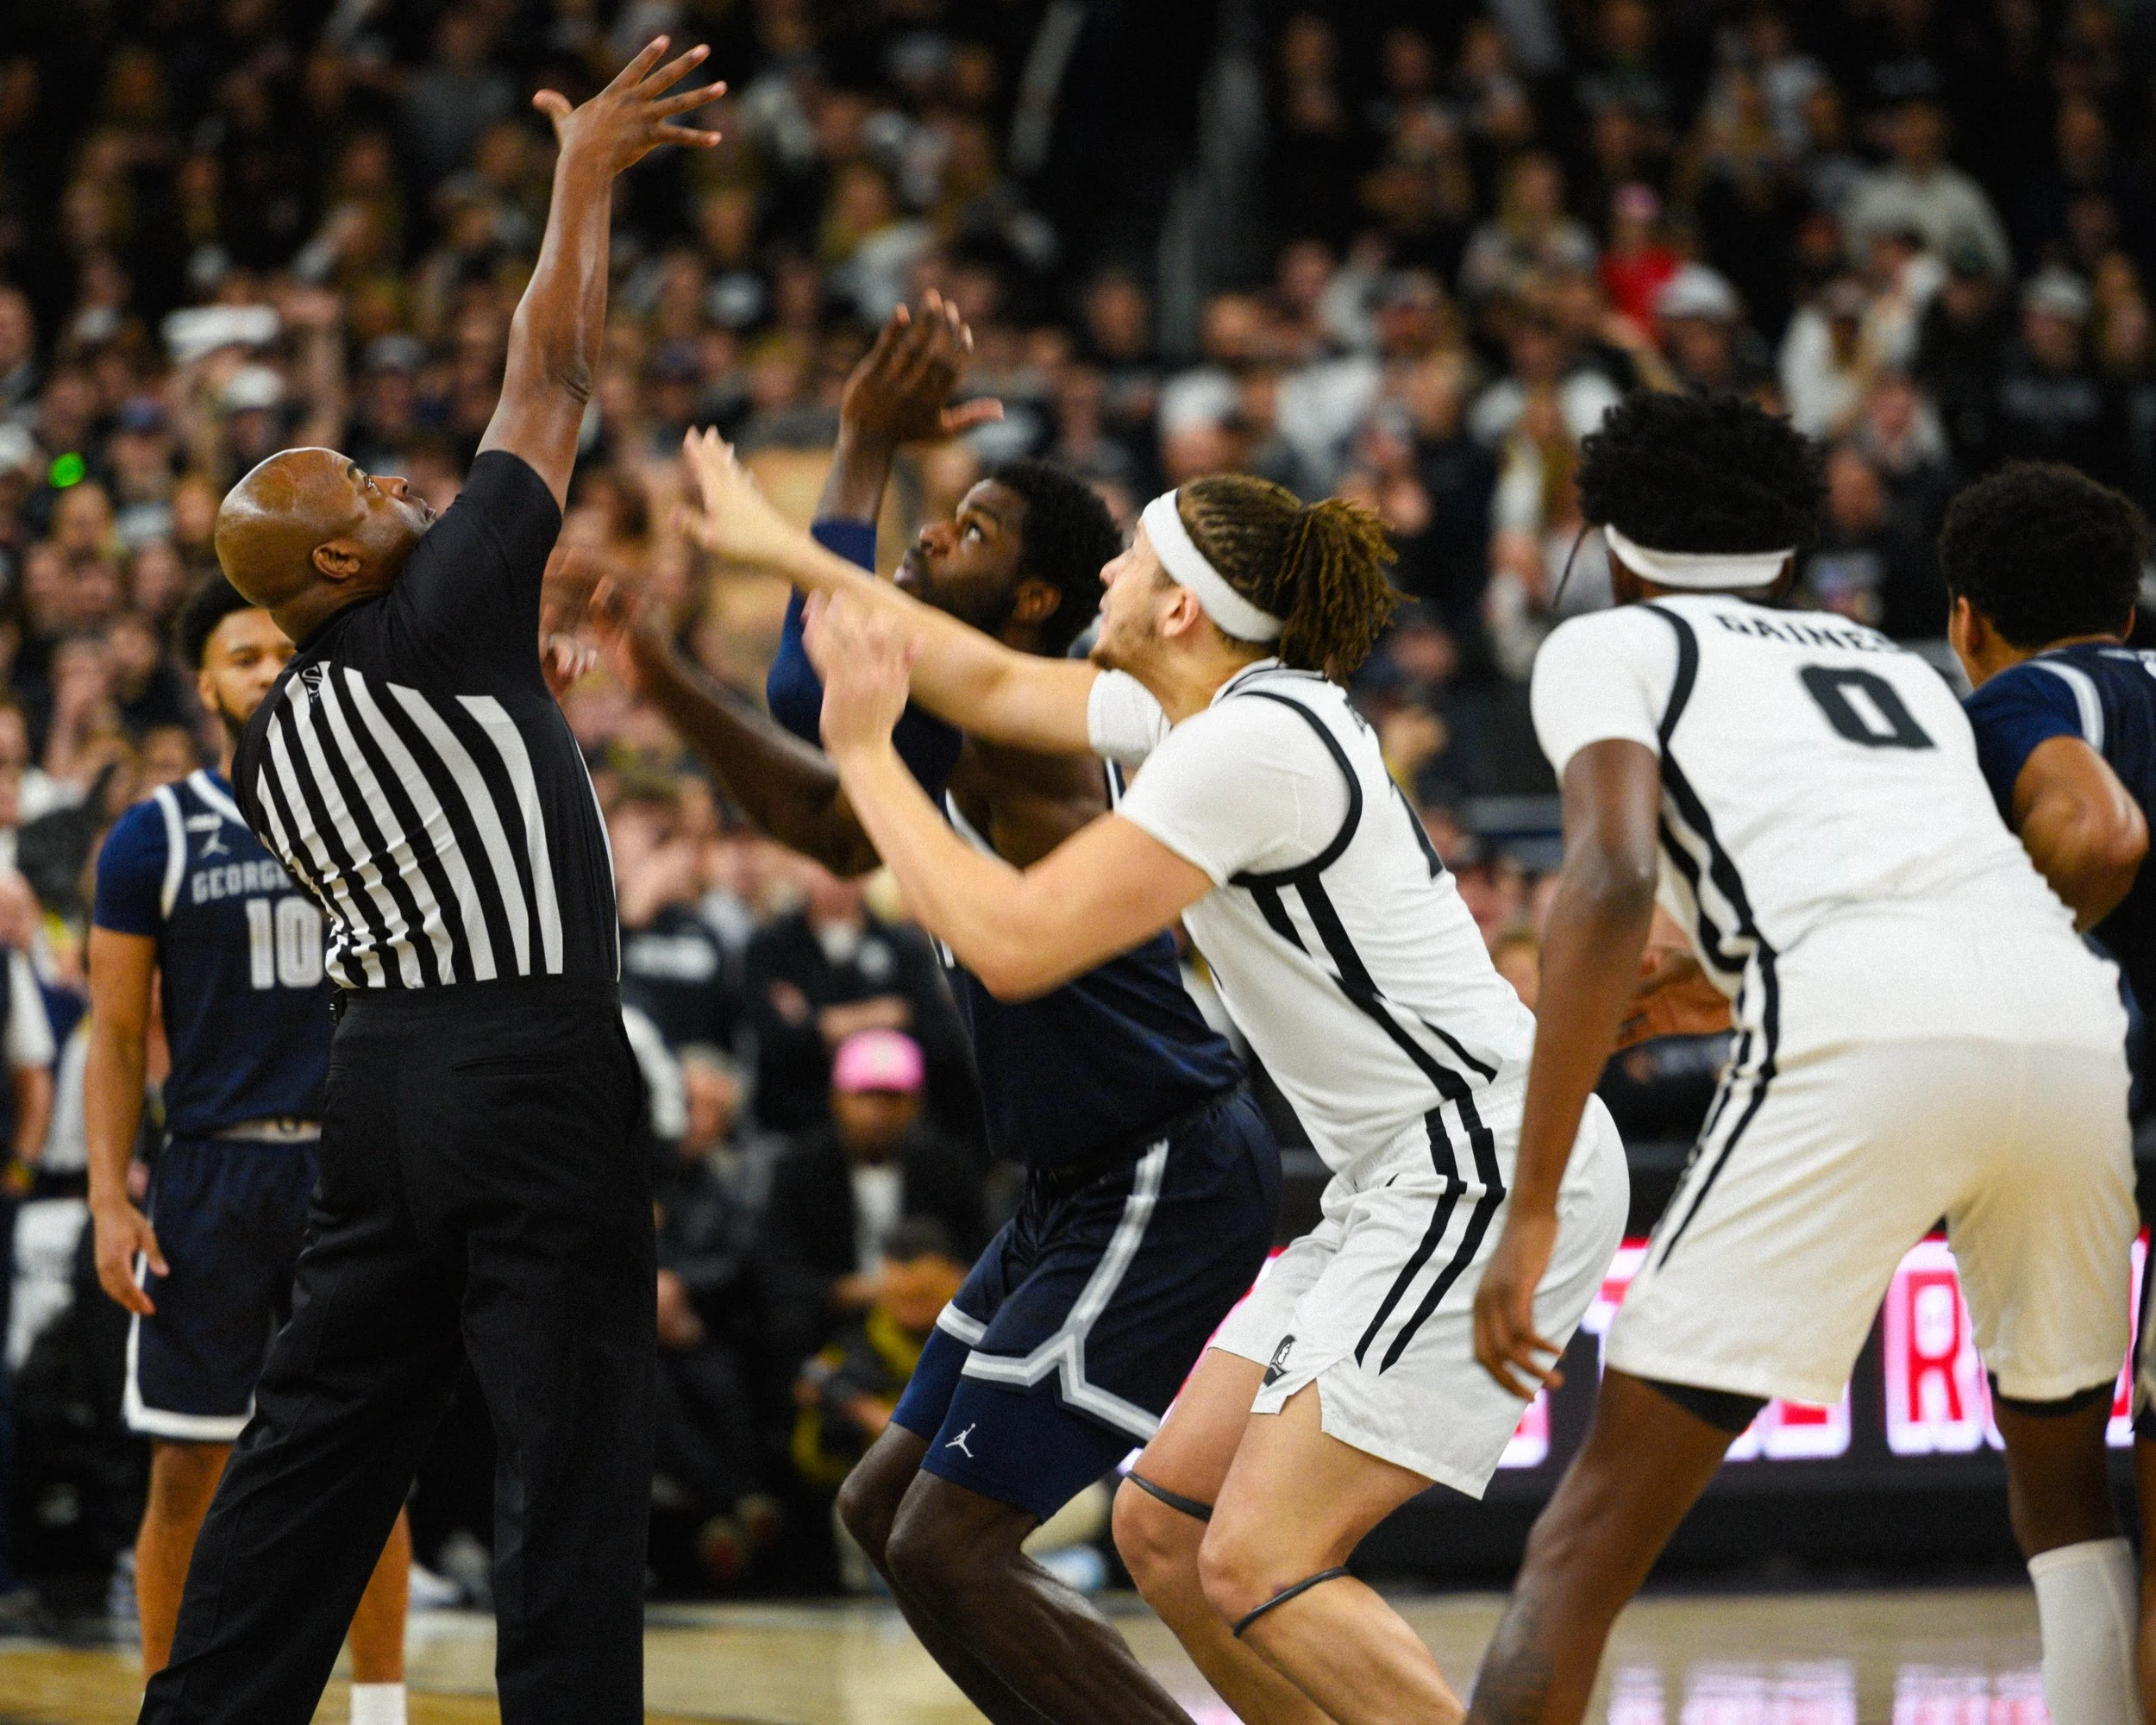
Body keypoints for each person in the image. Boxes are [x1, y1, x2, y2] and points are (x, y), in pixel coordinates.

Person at [671, 431, 1629, 1725]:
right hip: (1391, 1176)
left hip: (1478, 1161)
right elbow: (982, 677)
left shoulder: (1253, 748)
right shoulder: (1192, 711)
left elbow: (1012, 943)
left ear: (1181, 605)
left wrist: (861, 753)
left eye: (1132, 557)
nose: (1107, 573)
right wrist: (782, 547)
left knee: (1258, 1558)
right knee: (1169, 1531)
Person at [138, 41, 726, 1725]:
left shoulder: (280, 731)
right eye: (374, 497)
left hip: (376, 1091)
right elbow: (554, 370)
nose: (408, 491)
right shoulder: (441, 611)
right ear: (337, 562)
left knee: (317, 1444)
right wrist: (584, 175)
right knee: (569, 1461)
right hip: (528, 1067)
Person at [598, 298, 1279, 1725]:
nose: (927, 537)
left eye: (964, 533)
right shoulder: (941, 731)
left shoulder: (1027, 732)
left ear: (1032, 605)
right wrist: (666, 677)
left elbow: (807, 680)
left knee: (946, 1543)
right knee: (886, 1512)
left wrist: (857, 446)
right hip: (1076, 1180)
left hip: (1162, 1165)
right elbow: (829, 819)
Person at [1464, 392, 2140, 1725]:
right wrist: (1722, 985)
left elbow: (1603, 880)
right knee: (2065, 1504)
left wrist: (1532, 1200)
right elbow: (1933, 892)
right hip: (2068, 1032)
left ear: (1608, 541)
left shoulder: (1613, 643)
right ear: (1786, 550)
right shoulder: (1893, 662)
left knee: (1582, 1544)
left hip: (1850, 1044)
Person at [85, 575, 412, 1719]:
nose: (269, 668)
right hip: (213, 1173)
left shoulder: (380, 814)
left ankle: (382, 1709)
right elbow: (117, 1035)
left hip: (354, 1171)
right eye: (242, 653)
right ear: (207, 682)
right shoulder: (152, 835)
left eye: (284, 647)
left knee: (372, 1458)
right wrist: (107, 1202)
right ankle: (168, 1704)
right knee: (187, 1464)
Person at [1940, 461, 2153, 1721]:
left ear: (1965, 616)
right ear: (2128, 606)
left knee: (2065, 1480)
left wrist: (2019, 956)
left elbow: (2097, 832)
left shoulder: (2030, 696)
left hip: (2092, 1116)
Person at [758, 1028, 987, 1378]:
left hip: (932, 1330)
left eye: (893, 1097)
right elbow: (778, 1270)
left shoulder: (946, 1164)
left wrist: (932, 1283)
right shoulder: (800, 1168)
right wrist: (850, 1292)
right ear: (837, 1099)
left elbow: (978, 1253)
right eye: (865, 1096)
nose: (879, 1111)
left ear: (916, 1103)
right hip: (830, 1332)